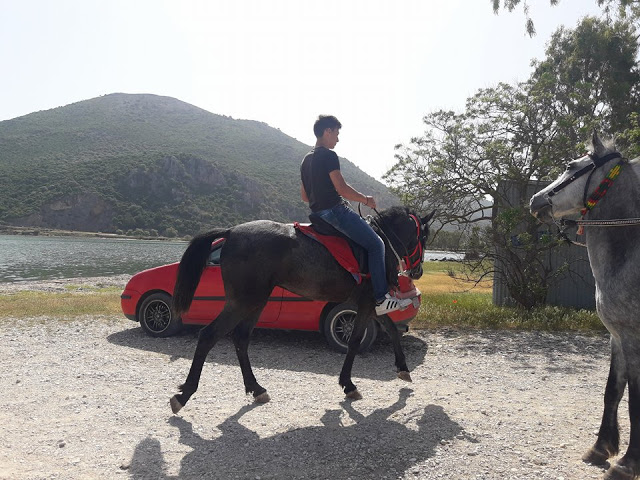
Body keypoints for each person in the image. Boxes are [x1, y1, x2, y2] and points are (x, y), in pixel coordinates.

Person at [300, 115, 411, 315]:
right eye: (336, 134)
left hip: (317, 214)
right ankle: (381, 298)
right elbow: (341, 188)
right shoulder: (328, 156)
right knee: (377, 244)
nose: (337, 139)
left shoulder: (305, 160)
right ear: (327, 131)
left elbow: (305, 196)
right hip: (335, 211)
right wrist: (365, 200)